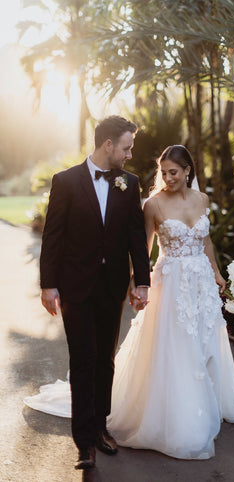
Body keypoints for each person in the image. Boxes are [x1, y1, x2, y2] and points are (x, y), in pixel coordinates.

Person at [25, 144, 234, 461]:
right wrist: (133, 281)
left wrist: (217, 273)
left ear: (188, 171)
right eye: (164, 172)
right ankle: (179, 414)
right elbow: (141, 247)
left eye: (174, 172)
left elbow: (206, 239)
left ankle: (208, 403)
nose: (168, 178)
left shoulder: (203, 200)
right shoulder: (153, 205)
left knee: (205, 341)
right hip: (170, 284)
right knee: (177, 347)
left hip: (201, 284)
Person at [37, 115, 150, 470]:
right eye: (127, 147)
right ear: (108, 145)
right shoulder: (66, 181)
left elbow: (135, 235)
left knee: (105, 360)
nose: (130, 154)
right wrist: (48, 283)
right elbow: (52, 235)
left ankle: (101, 428)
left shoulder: (129, 184)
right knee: (83, 360)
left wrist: (142, 281)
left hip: (111, 285)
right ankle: (83, 443)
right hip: (75, 286)